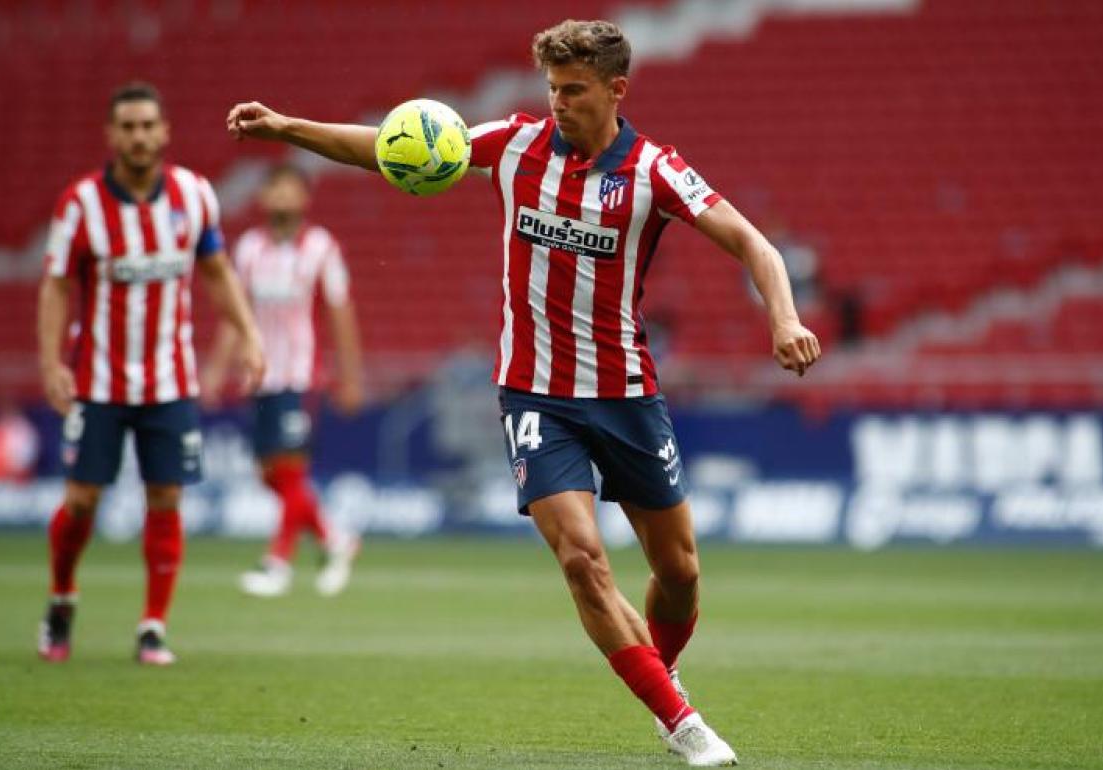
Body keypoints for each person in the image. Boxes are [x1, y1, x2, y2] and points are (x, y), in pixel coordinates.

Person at [226, 18, 820, 767]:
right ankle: (679, 720)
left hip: (626, 391)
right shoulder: (514, 143)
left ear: (616, 89)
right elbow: (384, 151)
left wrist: (785, 317)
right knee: (582, 559)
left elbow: (753, 244)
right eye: (552, 89)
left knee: (680, 572)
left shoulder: (655, 170)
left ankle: (659, 667)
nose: (559, 103)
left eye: (574, 91)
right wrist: (287, 127)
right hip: (534, 394)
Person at [37, 82, 264, 666]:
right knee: (83, 499)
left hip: (171, 380)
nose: (139, 136)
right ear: (112, 135)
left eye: (147, 126)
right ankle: (62, 599)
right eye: (128, 127)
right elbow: (58, 285)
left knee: (165, 497)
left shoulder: (194, 195)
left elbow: (215, 271)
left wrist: (248, 333)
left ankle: (152, 626)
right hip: (99, 382)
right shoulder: (81, 203)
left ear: (164, 132)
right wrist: (49, 360)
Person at [201, 163, 364, 598]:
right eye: (274, 187)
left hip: (300, 375)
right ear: (263, 196)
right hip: (260, 376)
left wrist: (349, 377)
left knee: (290, 469)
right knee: (269, 474)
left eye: (290, 189)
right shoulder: (250, 248)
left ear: (304, 199)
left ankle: (277, 562)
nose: (281, 196)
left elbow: (340, 313)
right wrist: (218, 369)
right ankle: (334, 538)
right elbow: (236, 316)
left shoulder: (320, 247)